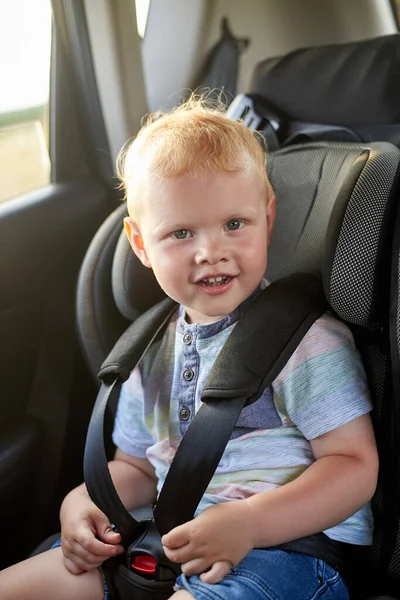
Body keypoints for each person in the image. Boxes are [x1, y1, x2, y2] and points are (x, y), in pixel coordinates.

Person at [0, 97, 378, 600]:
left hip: (283, 555)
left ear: (268, 217)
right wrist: (84, 500)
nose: (211, 250)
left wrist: (249, 523)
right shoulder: (148, 351)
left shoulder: (306, 341)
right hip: (166, 545)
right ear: (140, 244)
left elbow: (353, 466)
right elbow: (135, 467)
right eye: (181, 232)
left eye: (234, 224)